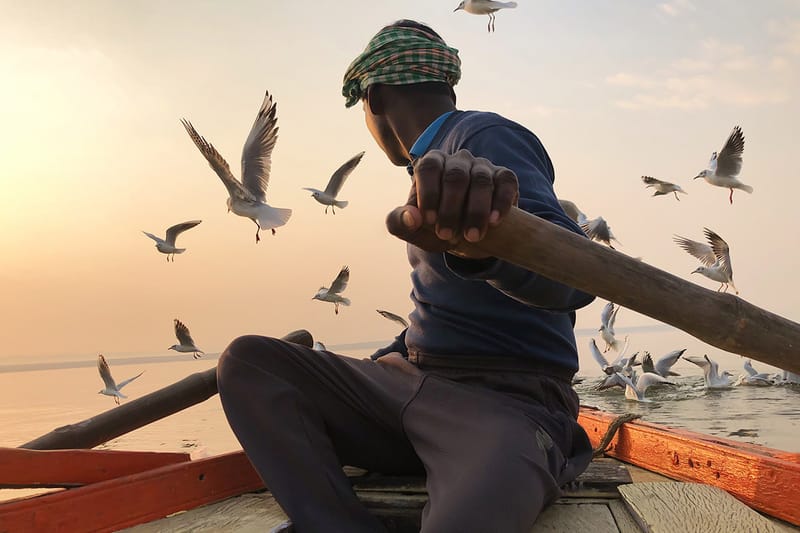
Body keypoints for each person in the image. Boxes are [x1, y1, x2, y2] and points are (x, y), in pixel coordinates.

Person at [217, 19, 595, 533]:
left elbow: (574, 279)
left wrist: (484, 248)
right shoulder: (426, 175)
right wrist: (391, 355)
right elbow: (441, 309)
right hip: (411, 382)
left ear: (371, 99)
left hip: (504, 402)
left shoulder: (482, 139)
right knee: (251, 362)